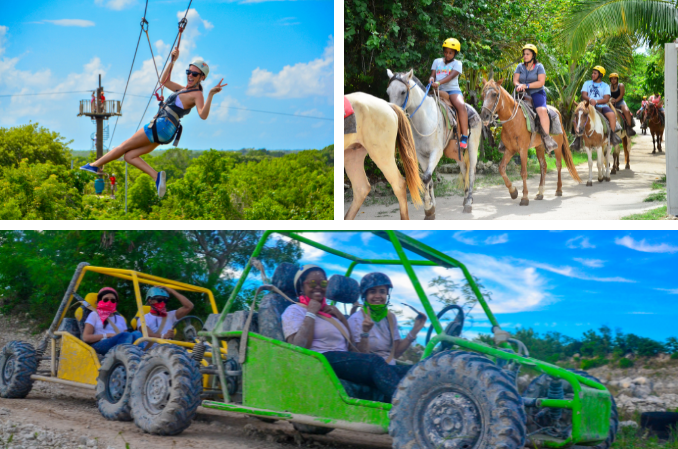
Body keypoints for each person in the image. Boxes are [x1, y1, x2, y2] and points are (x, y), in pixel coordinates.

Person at [80, 48, 227, 199]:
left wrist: (210, 94)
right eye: (188, 72)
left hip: (162, 125)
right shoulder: (183, 90)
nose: (190, 75)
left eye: (194, 74)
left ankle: (95, 165)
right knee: (129, 156)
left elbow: (203, 115)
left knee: (124, 146)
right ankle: (156, 177)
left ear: (201, 78)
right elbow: (164, 81)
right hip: (166, 132)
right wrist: (172, 61)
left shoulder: (197, 94)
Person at [282, 265, 403, 402]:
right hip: (320, 359)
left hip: (341, 359)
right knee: (375, 361)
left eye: (322, 283)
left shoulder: (331, 314)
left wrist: (359, 330)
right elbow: (297, 348)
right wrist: (311, 313)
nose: (318, 287)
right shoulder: (294, 310)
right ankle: (405, 405)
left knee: (403, 371)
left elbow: (354, 351)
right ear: (301, 287)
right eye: (312, 283)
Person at [348, 273, 426, 375]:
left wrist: (415, 330)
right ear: (365, 295)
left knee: (421, 372)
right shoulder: (356, 319)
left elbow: (396, 353)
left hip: (389, 368)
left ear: (387, 295)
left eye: (382, 291)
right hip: (370, 370)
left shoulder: (390, 317)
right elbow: (361, 358)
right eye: (372, 291)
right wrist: (365, 332)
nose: (378, 296)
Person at [513, 44, 558, 151]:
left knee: (542, 110)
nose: (525, 56)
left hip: (536, 93)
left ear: (533, 55)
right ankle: (504, 139)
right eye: (524, 54)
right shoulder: (520, 66)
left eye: (527, 54)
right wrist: (518, 85)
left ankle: (547, 138)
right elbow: (515, 79)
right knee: (507, 107)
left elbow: (541, 82)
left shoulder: (539, 67)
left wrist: (527, 85)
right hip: (521, 93)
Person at [429, 38, 469, 150]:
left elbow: (450, 77)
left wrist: (438, 82)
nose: (447, 55)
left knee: (461, 106)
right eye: (446, 52)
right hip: (438, 90)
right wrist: (431, 79)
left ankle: (464, 136)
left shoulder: (458, 64)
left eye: (450, 53)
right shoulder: (437, 61)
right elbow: (433, 74)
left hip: (452, 91)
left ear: (455, 53)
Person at [81, 287, 143, 356]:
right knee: (125, 335)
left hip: (119, 344)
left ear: (116, 303)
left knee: (137, 333)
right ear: (99, 301)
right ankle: (120, 359)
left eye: (113, 300)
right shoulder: (94, 315)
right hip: (99, 344)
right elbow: (86, 337)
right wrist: (107, 335)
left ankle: (142, 358)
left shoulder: (120, 318)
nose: (109, 302)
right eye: (106, 299)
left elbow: (126, 337)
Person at [574, 65, 622, 150]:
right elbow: (584, 95)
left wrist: (596, 101)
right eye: (592, 73)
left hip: (601, 106)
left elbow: (606, 98)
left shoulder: (605, 86)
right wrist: (591, 100)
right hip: (587, 106)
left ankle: (612, 136)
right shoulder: (587, 83)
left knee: (612, 115)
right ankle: (577, 138)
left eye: (595, 73)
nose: (592, 75)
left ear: (600, 75)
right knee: (577, 115)